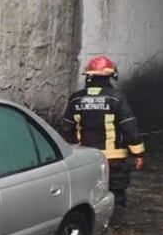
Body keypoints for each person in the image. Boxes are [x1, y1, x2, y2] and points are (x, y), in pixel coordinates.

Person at [62, 55, 146, 208]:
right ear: (110, 76)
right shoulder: (116, 98)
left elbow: (67, 128)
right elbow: (129, 127)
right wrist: (138, 154)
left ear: (88, 76)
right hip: (113, 161)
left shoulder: (76, 99)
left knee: (86, 197)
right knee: (116, 196)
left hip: (86, 159)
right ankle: (117, 225)